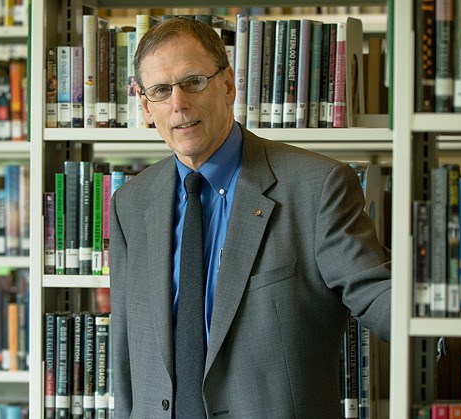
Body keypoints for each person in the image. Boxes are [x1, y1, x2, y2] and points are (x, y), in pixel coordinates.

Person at [109, 16, 391, 418]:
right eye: (160, 90)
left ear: (227, 85)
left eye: (193, 81)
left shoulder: (317, 186)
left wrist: (451, 317)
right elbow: (125, 353)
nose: (178, 104)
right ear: (146, 106)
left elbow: (373, 290)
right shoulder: (130, 205)